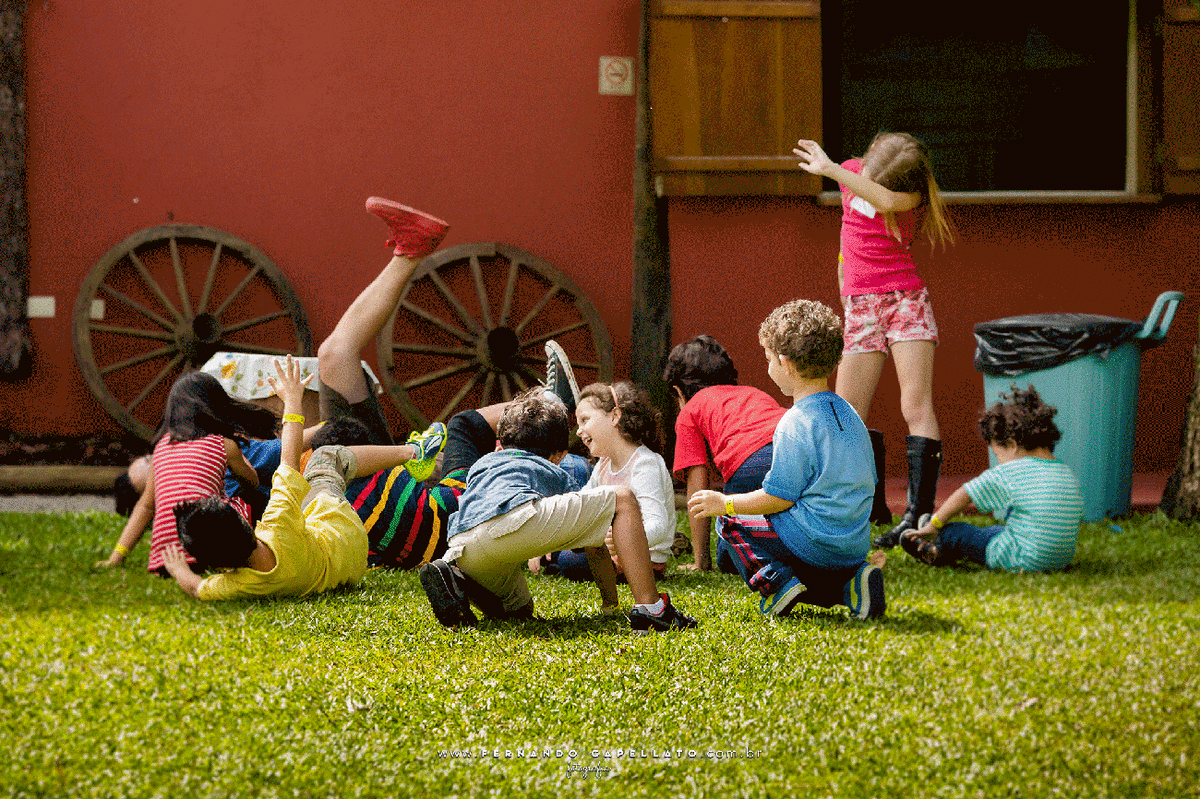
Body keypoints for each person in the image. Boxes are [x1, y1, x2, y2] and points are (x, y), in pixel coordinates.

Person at [419, 388, 697, 633]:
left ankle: (460, 582)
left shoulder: (484, 463)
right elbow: (594, 540)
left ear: (500, 444)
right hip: (513, 522)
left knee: (518, 609)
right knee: (621, 499)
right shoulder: (552, 470)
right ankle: (652, 609)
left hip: (462, 547)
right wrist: (610, 603)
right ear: (560, 456)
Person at [162, 356, 438, 599]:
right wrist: (292, 400)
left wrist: (178, 569)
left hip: (352, 569)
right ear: (244, 523)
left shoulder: (235, 586)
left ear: (221, 568)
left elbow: (197, 588)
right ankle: (414, 453)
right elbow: (288, 457)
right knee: (327, 457)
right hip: (346, 536)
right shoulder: (277, 523)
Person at [794, 132, 955, 548]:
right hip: (862, 306)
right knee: (848, 412)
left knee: (915, 405)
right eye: (864, 169)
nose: (863, 176)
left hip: (905, 300)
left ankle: (917, 516)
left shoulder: (908, 198)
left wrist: (830, 170)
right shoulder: (851, 171)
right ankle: (866, 507)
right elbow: (847, 242)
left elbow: (883, 199)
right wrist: (844, 286)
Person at [688, 299, 885, 620]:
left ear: (785, 363)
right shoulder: (850, 414)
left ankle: (776, 583)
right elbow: (869, 481)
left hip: (815, 543)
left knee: (730, 522)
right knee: (797, 532)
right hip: (854, 544)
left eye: (768, 359)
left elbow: (777, 498)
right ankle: (850, 585)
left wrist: (724, 503)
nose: (768, 368)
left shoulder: (795, 422)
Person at [96, 371, 278, 574]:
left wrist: (116, 556)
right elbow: (251, 483)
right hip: (210, 551)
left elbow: (145, 507)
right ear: (215, 406)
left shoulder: (162, 447)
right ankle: (250, 555)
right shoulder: (223, 443)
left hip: (167, 558)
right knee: (240, 500)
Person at [901, 386, 1084, 572]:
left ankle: (932, 546)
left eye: (997, 455)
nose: (998, 462)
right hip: (1059, 560)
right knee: (994, 532)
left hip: (1022, 558)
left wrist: (935, 524)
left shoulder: (1013, 471)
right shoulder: (1066, 472)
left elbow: (966, 493)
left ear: (1012, 445)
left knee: (955, 532)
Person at [662, 335, 787, 573]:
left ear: (678, 391)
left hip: (750, 464)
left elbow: (697, 488)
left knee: (728, 553)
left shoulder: (690, 409)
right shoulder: (754, 393)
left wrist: (701, 561)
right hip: (795, 450)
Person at [537, 381, 674, 581]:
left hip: (644, 560)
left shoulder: (644, 464)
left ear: (614, 416)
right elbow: (580, 502)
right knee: (562, 553)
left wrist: (621, 541)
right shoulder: (603, 465)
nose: (578, 430)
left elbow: (658, 526)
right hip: (612, 553)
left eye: (585, 420)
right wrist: (547, 539)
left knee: (569, 560)